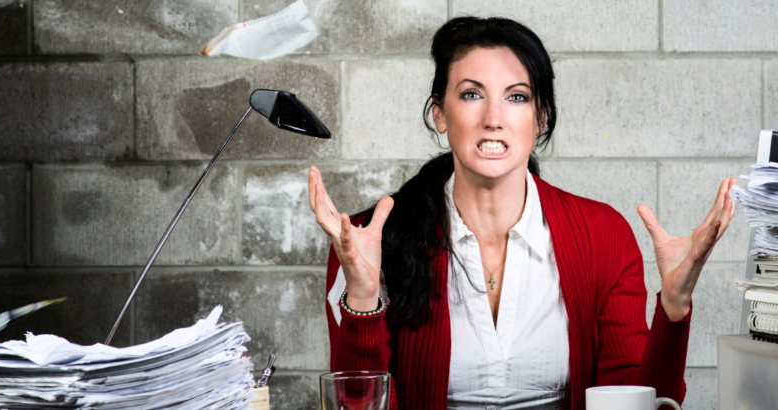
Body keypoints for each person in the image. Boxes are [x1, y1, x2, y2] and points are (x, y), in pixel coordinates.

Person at [309, 16, 736, 410]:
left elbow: (639, 403)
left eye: (517, 97)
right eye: (472, 94)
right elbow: (356, 403)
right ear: (439, 113)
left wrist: (675, 308)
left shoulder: (603, 235)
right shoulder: (366, 240)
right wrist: (363, 297)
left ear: (540, 118)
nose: (493, 118)